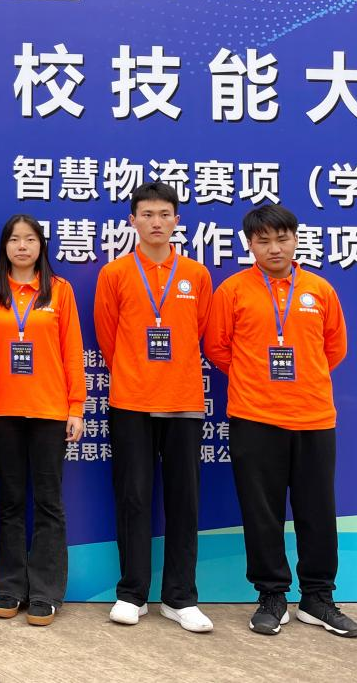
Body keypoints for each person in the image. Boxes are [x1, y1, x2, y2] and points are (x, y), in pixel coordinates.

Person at [204, 205, 357, 638]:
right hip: (254, 417)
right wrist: (255, 377)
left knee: (317, 512)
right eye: (264, 241)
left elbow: (334, 348)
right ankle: (272, 596)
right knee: (262, 514)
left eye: (282, 238)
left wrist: (302, 378)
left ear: (295, 239)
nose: (274, 248)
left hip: (314, 417)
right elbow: (217, 347)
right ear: (249, 245)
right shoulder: (233, 291)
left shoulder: (319, 290)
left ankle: (318, 598)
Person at [93, 182, 215, 633]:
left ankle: (180, 598)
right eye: (147, 214)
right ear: (132, 221)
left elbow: (201, 331)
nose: (156, 222)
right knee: (133, 497)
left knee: (184, 500)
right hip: (131, 401)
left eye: (165, 214)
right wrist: (135, 373)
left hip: (183, 401)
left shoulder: (196, 275)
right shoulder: (115, 273)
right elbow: (108, 337)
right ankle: (132, 594)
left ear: (177, 220)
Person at [0, 214, 84, 627]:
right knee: (10, 502)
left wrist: (76, 407)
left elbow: (72, 349)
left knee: (48, 502)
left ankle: (45, 591)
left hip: (49, 411)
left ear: (41, 245)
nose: (22, 246)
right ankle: (10, 587)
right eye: (14, 239)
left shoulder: (59, 290)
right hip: (1, 411)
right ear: (4, 246)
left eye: (30, 239)